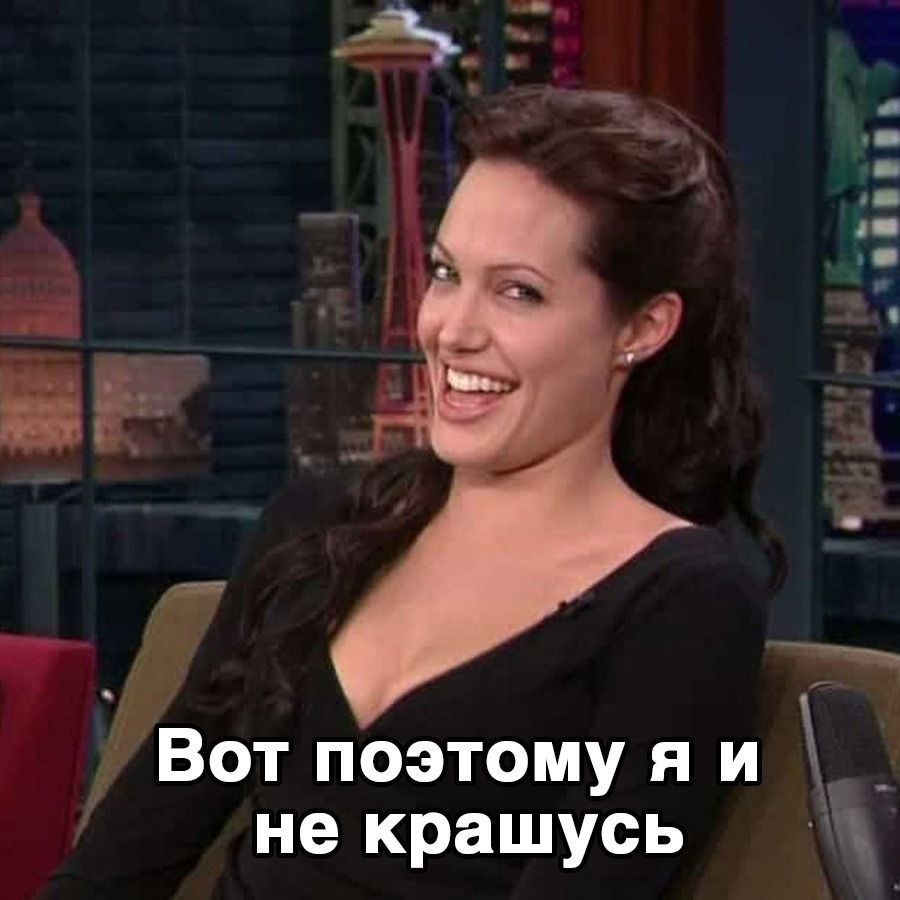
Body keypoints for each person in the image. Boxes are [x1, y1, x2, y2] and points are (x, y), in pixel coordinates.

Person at [38, 84, 786, 900]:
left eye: (518, 292)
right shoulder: (322, 527)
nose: (452, 329)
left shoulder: (683, 600)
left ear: (642, 328)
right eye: (447, 273)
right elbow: (124, 858)